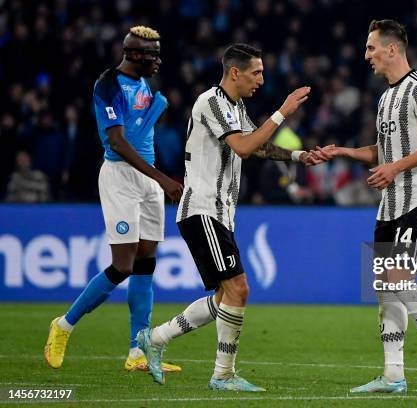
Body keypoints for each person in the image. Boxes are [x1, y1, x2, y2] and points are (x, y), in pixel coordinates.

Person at [137, 43, 313, 390]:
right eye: (256, 73)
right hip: (202, 208)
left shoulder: (235, 106)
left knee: (224, 298)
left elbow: (257, 144)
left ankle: (155, 339)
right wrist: (282, 112)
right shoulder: (211, 102)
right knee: (239, 289)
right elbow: (243, 148)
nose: (261, 79)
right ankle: (223, 375)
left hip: (220, 214)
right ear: (235, 72)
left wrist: (296, 157)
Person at [312, 20, 417, 394]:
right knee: (384, 285)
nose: (367, 56)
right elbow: (382, 152)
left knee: (398, 277)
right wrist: (344, 152)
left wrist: (394, 167)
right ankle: (393, 374)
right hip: (390, 205)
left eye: (371, 48)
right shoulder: (384, 99)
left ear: (392, 49)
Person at [44, 26, 184, 374]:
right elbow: (119, 143)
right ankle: (63, 326)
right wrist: (163, 179)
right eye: (153, 55)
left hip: (148, 176)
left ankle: (138, 350)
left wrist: (155, 175)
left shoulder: (144, 85)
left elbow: (140, 132)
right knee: (122, 264)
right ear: (134, 54)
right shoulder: (107, 84)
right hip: (121, 177)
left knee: (145, 261)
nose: (158, 60)